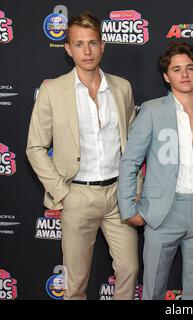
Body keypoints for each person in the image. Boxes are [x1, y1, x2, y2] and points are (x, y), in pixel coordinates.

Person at [26, 11, 139, 300]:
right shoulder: (52, 90)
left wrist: (134, 190)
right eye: (79, 44)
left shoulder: (122, 87)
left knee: (129, 269)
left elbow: (135, 144)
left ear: (103, 45)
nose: (86, 51)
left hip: (118, 196)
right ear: (68, 49)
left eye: (92, 43)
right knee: (75, 284)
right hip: (77, 196)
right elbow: (35, 147)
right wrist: (62, 194)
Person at [117, 42, 193, 300]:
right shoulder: (152, 110)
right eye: (177, 69)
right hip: (162, 213)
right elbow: (130, 161)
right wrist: (128, 208)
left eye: (190, 68)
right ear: (167, 77)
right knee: (153, 289)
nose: (185, 74)